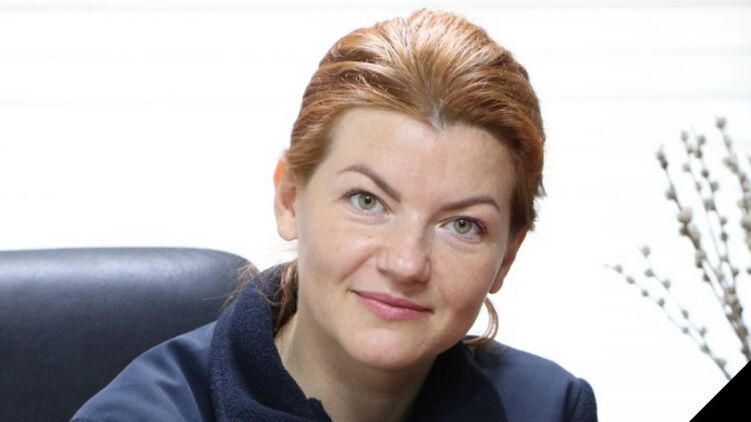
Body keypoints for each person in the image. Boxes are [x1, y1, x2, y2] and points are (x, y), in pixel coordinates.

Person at [73, 9, 597, 422]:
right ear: (290, 199)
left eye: (462, 225)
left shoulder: (549, 408)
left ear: (507, 256)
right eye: (367, 201)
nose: (406, 263)